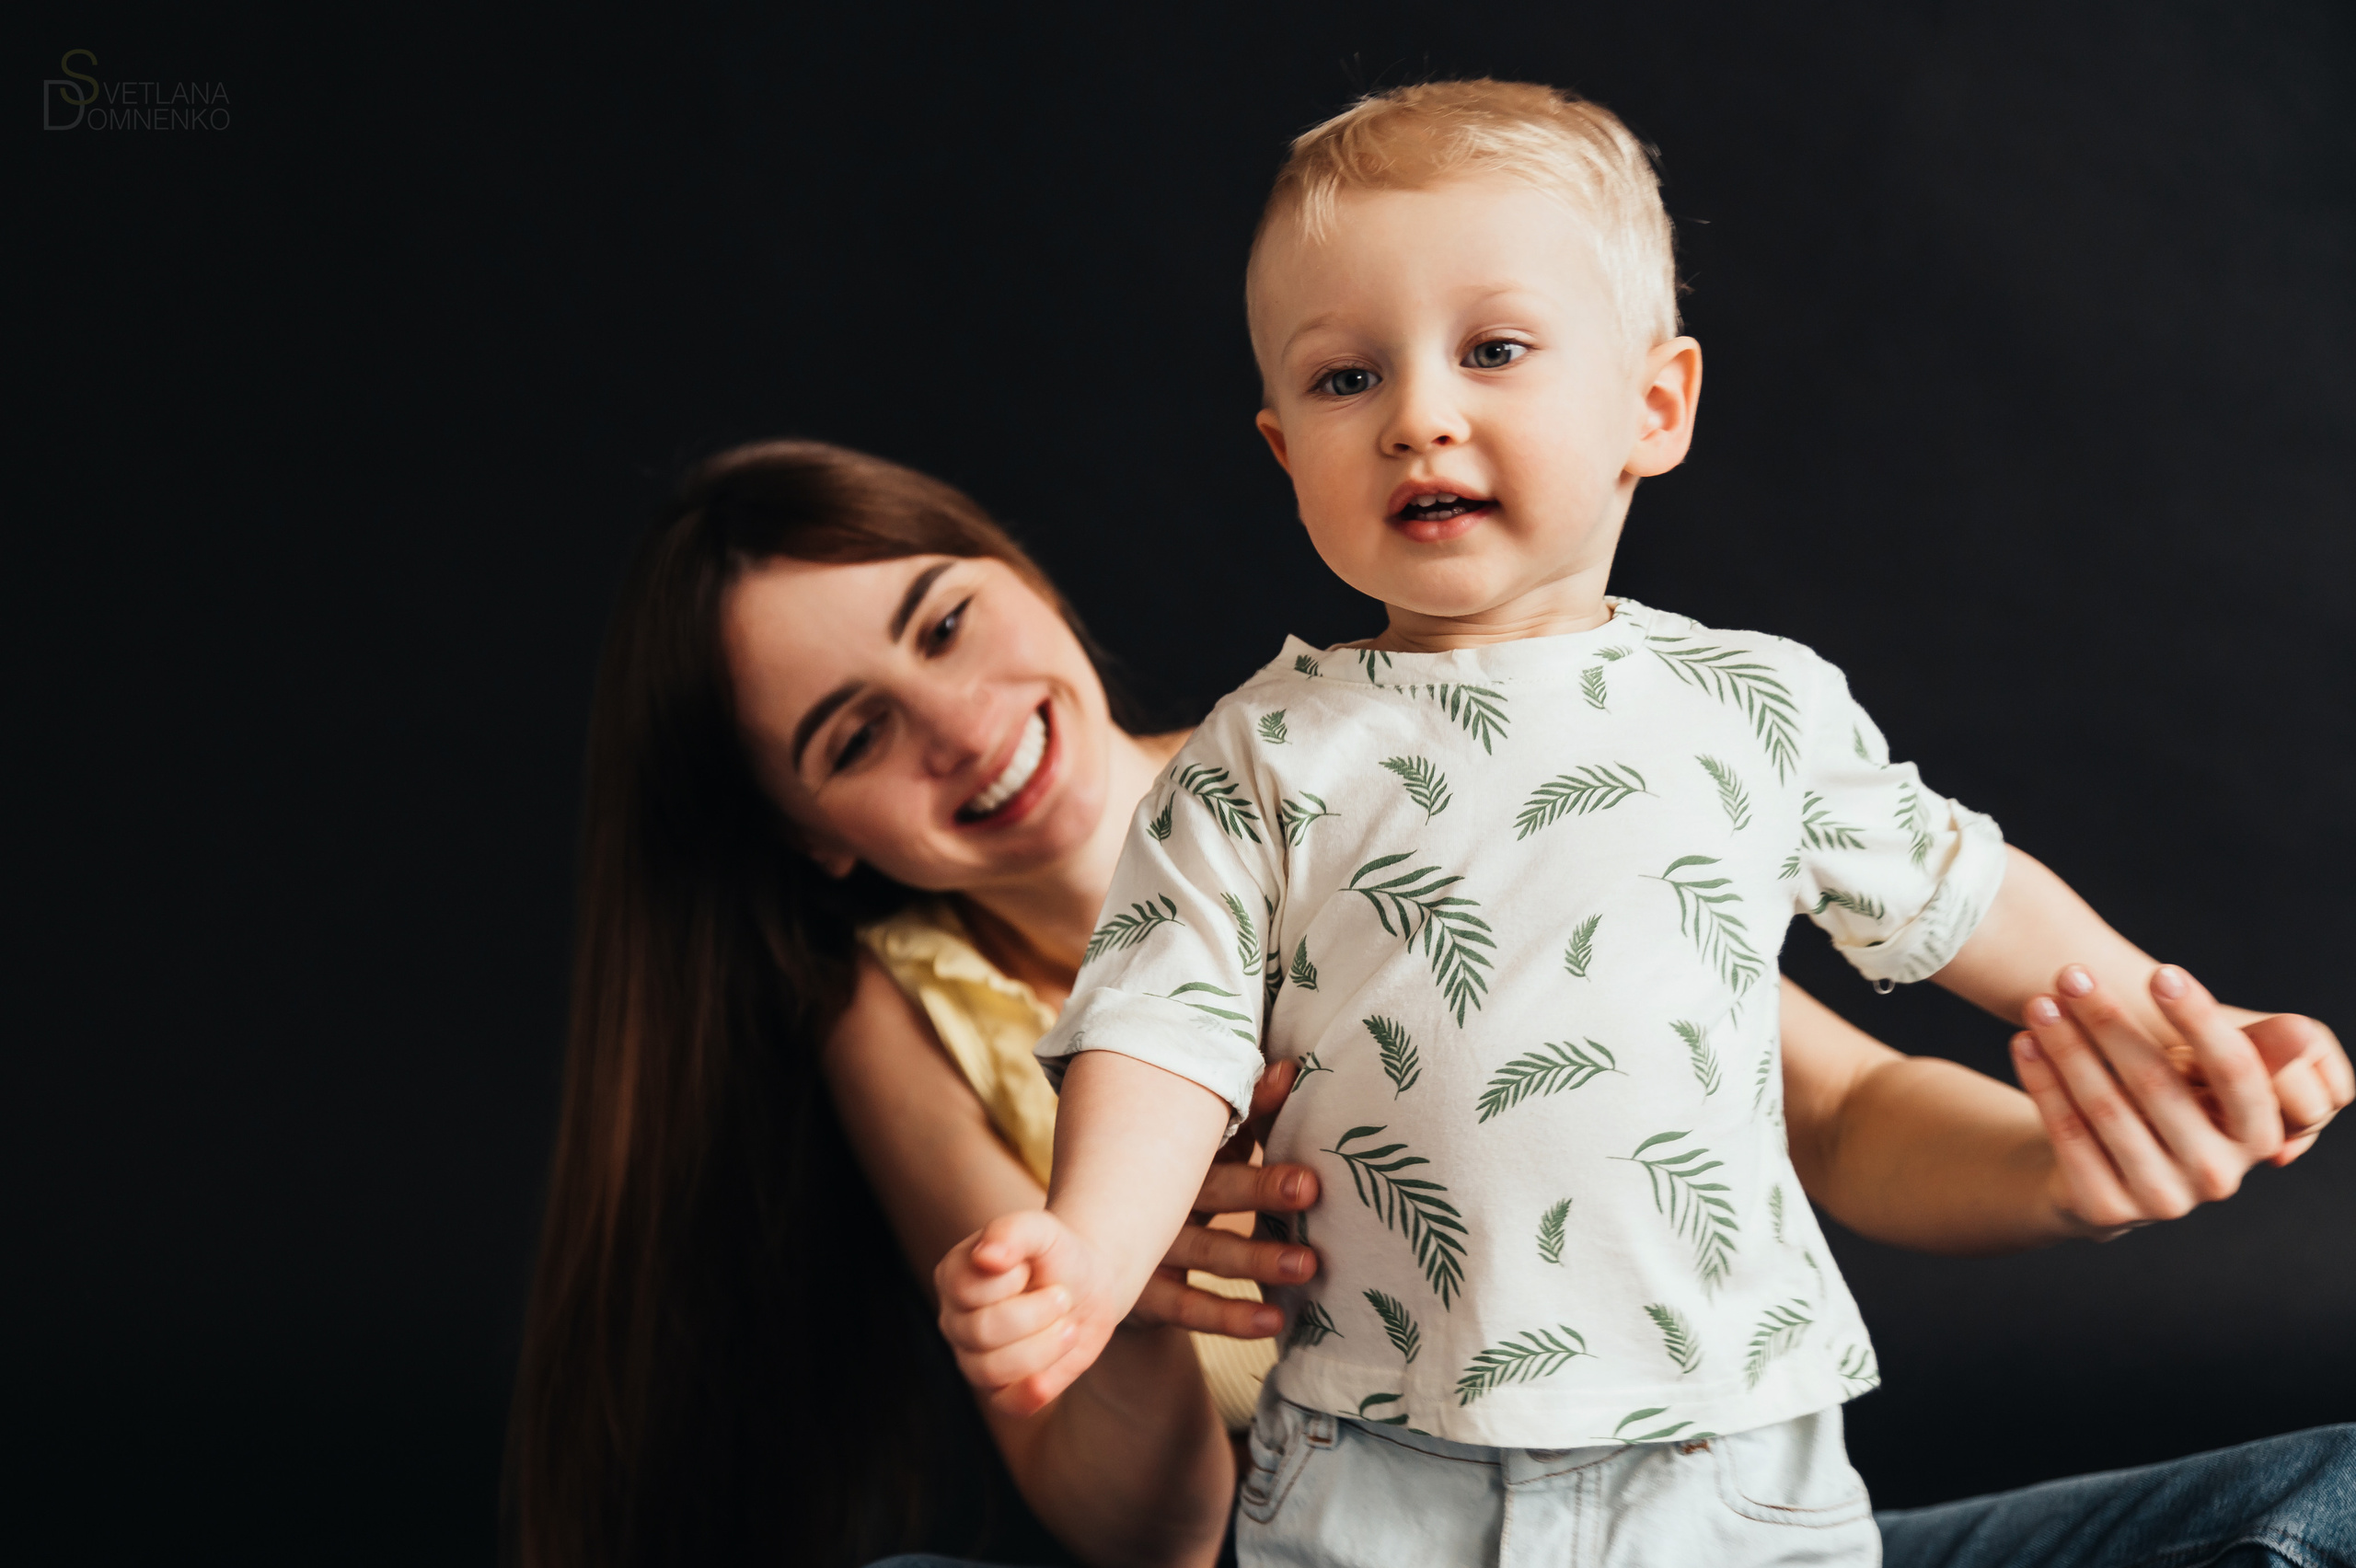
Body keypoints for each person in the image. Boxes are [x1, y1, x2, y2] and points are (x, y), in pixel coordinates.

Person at [930, 83, 2354, 1567]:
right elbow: (1164, 1036)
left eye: (1494, 351)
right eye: (1347, 378)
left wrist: (2180, 1030)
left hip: (1724, 1463)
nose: (1419, 415)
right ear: (1287, 457)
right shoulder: (1259, 756)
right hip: (1381, 1475)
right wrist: (1088, 1250)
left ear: (1653, 408)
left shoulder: (1752, 705)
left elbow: (1966, 891)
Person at [505, 440, 2348, 1568]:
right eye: (854, 738)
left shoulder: (1352, 774)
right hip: (1342, 1533)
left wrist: (2069, 1162)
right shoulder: (899, 1015)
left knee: (2319, 1500)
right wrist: (1116, 1291)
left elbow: (1850, 1113)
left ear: (1013, 568)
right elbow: (1148, 1536)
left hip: (1679, 1516)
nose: (961, 723)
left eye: (941, 619)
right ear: (812, 836)